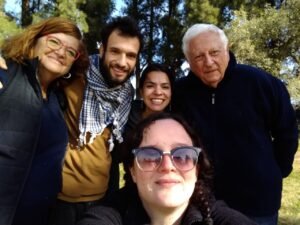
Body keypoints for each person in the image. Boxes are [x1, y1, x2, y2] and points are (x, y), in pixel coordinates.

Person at [172, 23, 298, 225]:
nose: (209, 62)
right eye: (199, 56)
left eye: (214, 52)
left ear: (227, 49)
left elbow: (287, 133)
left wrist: (275, 171)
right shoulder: (179, 93)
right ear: (188, 60)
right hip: (201, 201)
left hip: (257, 204)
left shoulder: (261, 83)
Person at [77, 112, 258, 225]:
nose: (167, 166)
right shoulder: (108, 213)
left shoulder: (214, 212)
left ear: (197, 169)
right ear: (132, 171)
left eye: (182, 155)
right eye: (149, 156)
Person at [47, 16, 143, 225]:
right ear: (102, 50)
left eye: (131, 55)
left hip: (102, 198)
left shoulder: (127, 92)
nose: (122, 62)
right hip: (59, 198)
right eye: (115, 51)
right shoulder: (73, 73)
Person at [0, 17, 89, 225]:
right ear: (35, 40)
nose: (60, 52)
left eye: (70, 52)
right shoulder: (7, 74)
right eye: (54, 42)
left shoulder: (58, 98)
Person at [125, 62, 174, 132]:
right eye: (150, 86)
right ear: (141, 91)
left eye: (165, 87)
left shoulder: (177, 125)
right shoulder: (126, 113)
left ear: (171, 92)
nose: (158, 92)